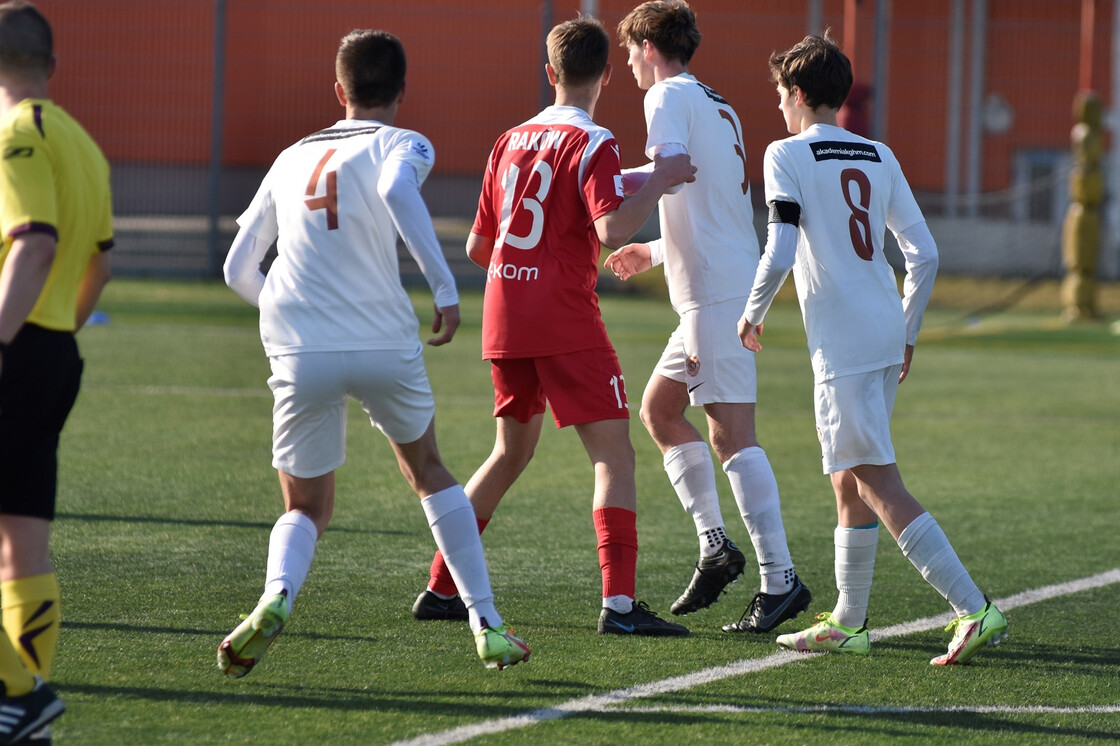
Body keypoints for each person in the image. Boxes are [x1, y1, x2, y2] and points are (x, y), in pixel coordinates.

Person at [219, 29, 529, 676]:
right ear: (402, 90)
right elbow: (395, 191)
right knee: (430, 473)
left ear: (339, 90)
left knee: (305, 506)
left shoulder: (291, 156)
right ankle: (488, 622)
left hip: (300, 348)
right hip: (383, 341)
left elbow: (235, 269)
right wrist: (445, 289)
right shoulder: (404, 142)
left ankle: (276, 597)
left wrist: (281, 309)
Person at [411, 16, 695, 637]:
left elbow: (480, 250)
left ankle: (440, 586)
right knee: (614, 456)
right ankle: (619, 607)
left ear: (550, 73)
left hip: (504, 312)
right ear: (607, 75)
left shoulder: (508, 140)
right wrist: (665, 181)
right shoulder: (595, 142)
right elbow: (613, 230)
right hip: (564, 317)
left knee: (509, 453)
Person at [738, 32, 1007, 664]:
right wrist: (908, 330)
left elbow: (779, 247)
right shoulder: (878, 153)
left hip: (845, 343)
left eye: (781, 93)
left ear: (799, 94)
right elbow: (925, 253)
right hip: (884, 332)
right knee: (847, 478)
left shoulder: (786, 153)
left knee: (877, 480)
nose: (778, 105)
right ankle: (850, 622)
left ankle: (975, 608)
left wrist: (751, 314)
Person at [605, 0, 810, 633]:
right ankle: (717, 548)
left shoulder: (665, 97)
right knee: (661, 410)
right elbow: (712, 199)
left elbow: (669, 172)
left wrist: (598, 179)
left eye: (631, 50)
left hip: (717, 292)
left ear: (647, 46)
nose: (629, 63)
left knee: (729, 432)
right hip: (714, 284)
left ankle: (781, 582)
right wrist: (656, 249)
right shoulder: (717, 103)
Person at [0, 2, 113, 742]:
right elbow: (97, 261)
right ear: (52, 64)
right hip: (52, 352)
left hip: (15, 349)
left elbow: (32, 243)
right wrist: (57, 332)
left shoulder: (18, 134)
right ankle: (24, 704)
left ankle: (18, 691)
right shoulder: (82, 141)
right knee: (23, 538)